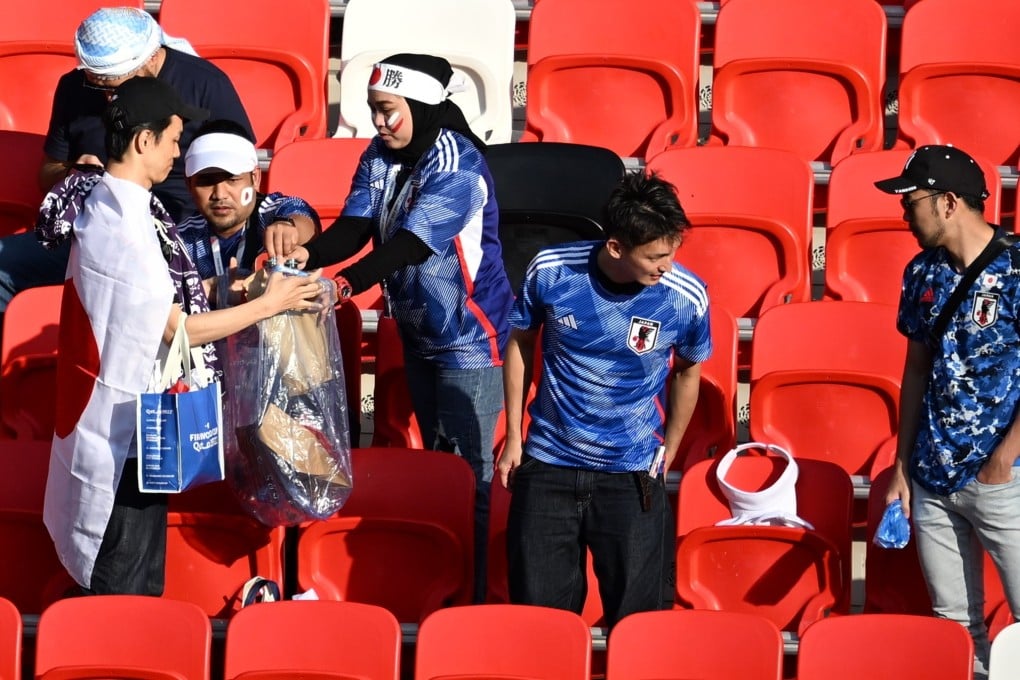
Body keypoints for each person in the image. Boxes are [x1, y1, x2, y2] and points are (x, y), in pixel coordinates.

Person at [40, 77, 323, 596]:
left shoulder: (118, 204)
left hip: (127, 427)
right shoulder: (123, 227)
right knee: (124, 592)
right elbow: (181, 328)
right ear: (144, 142)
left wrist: (231, 286)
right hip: (121, 436)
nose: (177, 152)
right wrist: (268, 304)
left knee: (140, 582)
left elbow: (163, 294)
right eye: (173, 139)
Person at [275, 53, 514, 602]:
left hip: (469, 335)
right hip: (417, 329)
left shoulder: (458, 162)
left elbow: (409, 244)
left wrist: (342, 286)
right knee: (436, 466)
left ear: (421, 105)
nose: (379, 123)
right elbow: (355, 229)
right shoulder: (381, 154)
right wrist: (303, 256)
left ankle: (472, 595)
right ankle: (437, 585)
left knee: (466, 475)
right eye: (373, 111)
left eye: (388, 111)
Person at [497, 171, 711, 627]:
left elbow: (689, 372)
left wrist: (669, 449)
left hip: (631, 473)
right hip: (548, 465)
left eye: (672, 252)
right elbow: (520, 343)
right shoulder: (552, 269)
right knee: (540, 625)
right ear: (615, 247)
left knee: (639, 626)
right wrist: (514, 436)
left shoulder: (685, 297)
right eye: (655, 256)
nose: (666, 266)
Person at [0, 6, 253, 327]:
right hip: (90, 235)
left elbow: (241, 176)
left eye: (116, 86)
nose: (108, 97)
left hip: (179, 240)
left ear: (151, 59)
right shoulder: (73, 87)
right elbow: (48, 172)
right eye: (98, 85)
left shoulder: (206, 85)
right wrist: (73, 175)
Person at [880, 145, 1020, 679]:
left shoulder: (1017, 268)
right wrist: (901, 466)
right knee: (954, 626)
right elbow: (915, 369)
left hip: (1003, 480)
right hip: (933, 478)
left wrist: (1004, 459)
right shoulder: (921, 272)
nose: (903, 213)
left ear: (948, 202)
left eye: (910, 201)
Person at [179, 119, 320, 290]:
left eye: (232, 179)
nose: (220, 194)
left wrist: (288, 226)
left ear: (255, 178)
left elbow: (298, 212)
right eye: (206, 182)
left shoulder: (270, 213)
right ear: (189, 185)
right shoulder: (181, 240)